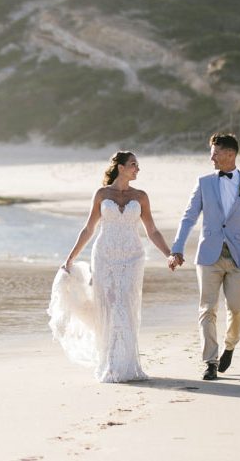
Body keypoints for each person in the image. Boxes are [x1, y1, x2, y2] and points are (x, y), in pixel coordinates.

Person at [48, 150, 172, 383]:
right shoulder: (102, 194)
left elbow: (152, 231)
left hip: (133, 258)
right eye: (134, 164)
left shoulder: (141, 196)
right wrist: (70, 258)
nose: (137, 169)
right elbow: (88, 229)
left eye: (137, 165)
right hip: (104, 256)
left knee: (126, 305)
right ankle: (112, 364)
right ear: (121, 168)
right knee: (110, 306)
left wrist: (169, 254)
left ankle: (127, 365)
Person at [168, 133, 240, 380]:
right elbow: (188, 217)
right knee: (207, 309)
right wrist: (177, 248)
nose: (211, 157)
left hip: (239, 258)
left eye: (216, 152)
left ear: (230, 154)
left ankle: (230, 346)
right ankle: (210, 361)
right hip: (208, 256)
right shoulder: (203, 183)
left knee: (236, 309)